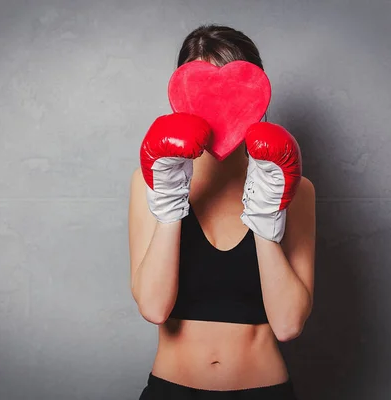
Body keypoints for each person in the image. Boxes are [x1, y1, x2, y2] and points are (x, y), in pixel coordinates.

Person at [129, 24, 316, 399]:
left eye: (233, 93)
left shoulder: (297, 188)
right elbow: (153, 307)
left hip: (264, 390)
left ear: (259, 98)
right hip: (173, 389)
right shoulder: (148, 181)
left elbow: (288, 324)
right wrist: (169, 205)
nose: (218, 105)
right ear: (179, 98)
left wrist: (267, 217)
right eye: (202, 94)